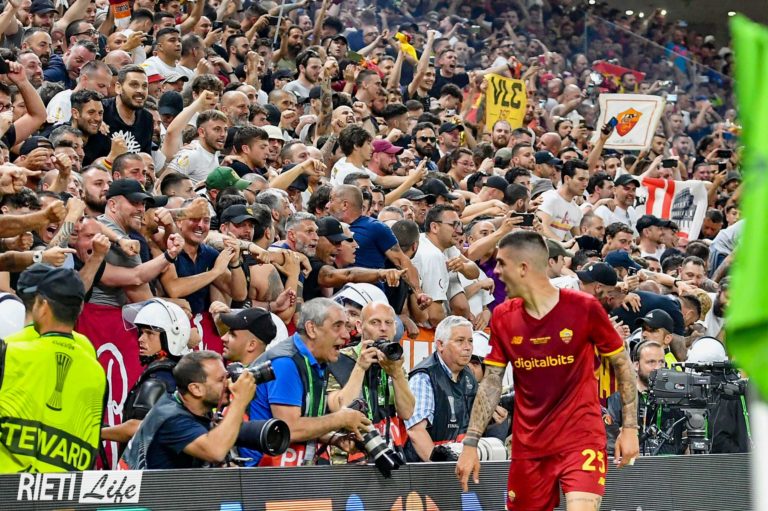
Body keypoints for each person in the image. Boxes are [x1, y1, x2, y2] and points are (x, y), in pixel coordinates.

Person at [455, 231, 639, 511]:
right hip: (529, 446)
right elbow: (491, 382)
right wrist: (471, 443)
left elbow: (623, 365)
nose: (497, 271)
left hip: (581, 438)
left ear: (523, 267)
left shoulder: (584, 307)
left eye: (502, 263)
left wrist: (630, 428)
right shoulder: (503, 316)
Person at [0, 268, 107, 472]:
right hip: (66, 489)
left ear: (42, 305)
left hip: (9, 487)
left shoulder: (10, 352)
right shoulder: (97, 371)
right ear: (80, 307)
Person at [244, 298, 372, 466]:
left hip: (289, 470)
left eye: (346, 326)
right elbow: (290, 428)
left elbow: (304, 421)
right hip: (261, 474)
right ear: (312, 329)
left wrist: (334, 439)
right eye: (337, 326)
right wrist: (340, 419)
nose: (346, 335)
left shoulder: (316, 361)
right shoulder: (286, 363)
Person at [120, 350, 256, 469]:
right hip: (149, 491)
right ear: (196, 389)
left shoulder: (194, 407)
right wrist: (240, 400)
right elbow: (215, 451)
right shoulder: (172, 419)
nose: (229, 383)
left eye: (227, 377)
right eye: (221, 379)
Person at [327, 301, 415, 462]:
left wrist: (396, 374)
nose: (383, 328)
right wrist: (360, 367)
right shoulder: (339, 360)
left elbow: (407, 412)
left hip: (386, 455)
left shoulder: (394, 362)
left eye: (388, 323)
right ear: (360, 327)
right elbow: (339, 409)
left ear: (395, 328)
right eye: (375, 322)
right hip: (347, 461)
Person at [102, 298, 192, 443]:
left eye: (149, 333)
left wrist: (97, 433)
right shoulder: (178, 372)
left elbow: (138, 428)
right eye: (141, 332)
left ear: (171, 337)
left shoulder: (158, 379)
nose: (141, 339)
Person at [405, 315, 478, 462]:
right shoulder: (424, 377)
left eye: (470, 341)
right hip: (426, 467)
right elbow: (416, 432)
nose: (467, 347)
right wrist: (440, 468)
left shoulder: (469, 375)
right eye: (460, 341)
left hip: (458, 461)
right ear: (440, 345)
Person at [605, 340, 685, 456]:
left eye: (661, 362)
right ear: (636, 365)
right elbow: (611, 447)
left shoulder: (676, 401)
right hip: (633, 464)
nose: (658, 367)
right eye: (651, 362)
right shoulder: (618, 399)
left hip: (670, 465)